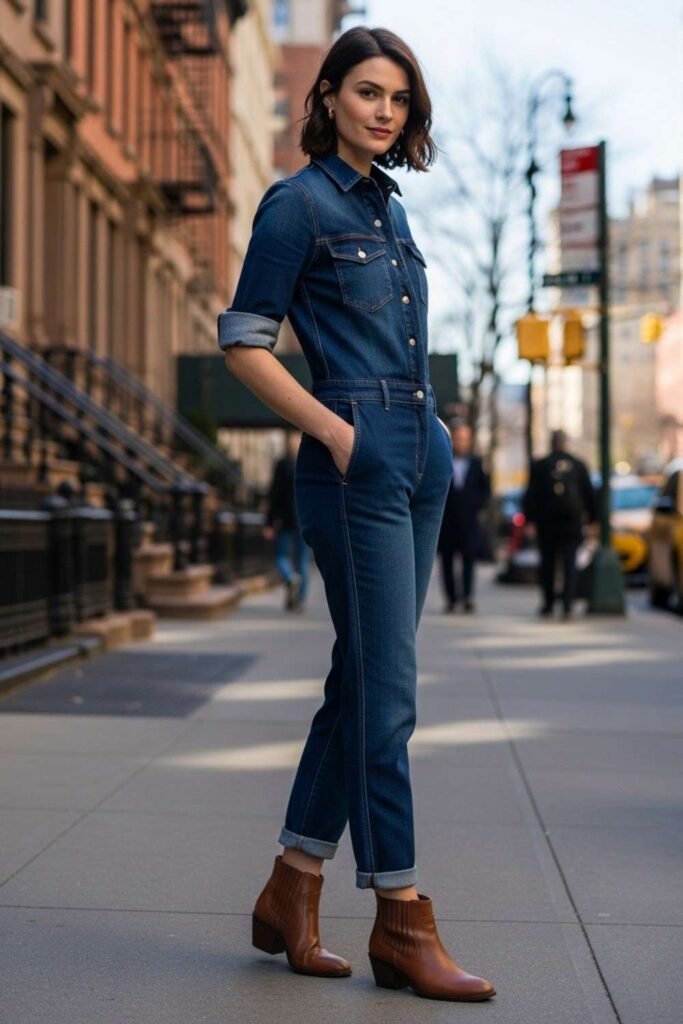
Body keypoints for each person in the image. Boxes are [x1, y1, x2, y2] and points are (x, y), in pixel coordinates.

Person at [218, 27, 495, 1002]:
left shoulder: (389, 209)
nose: (384, 111)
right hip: (356, 465)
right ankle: (400, 918)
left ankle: (290, 887)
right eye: (368, 92)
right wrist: (338, 434)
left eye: (399, 98)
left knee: (362, 681)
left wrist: (435, 435)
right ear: (328, 95)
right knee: (389, 697)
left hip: (419, 457)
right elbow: (244, 341)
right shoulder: (296, 204)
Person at [523, 429, 596, 620]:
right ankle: (567, 603)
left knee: (548, 564)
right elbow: (589, 494)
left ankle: (549, 603)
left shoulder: (541, 465)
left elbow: (531, 495)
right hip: (570, 523)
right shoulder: (578, 465)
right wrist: (592, 520)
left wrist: (530, 520)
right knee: (569, 564)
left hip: (548, 523)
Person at [438, 421, 490, 613]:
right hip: (447, 521)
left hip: (469, 522)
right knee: (447, 561)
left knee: (469, 560)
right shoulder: (443, 460)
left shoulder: (477, 463)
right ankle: (451, 599)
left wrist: (477, 506)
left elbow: (485, 490)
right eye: (458, 438)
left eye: (464, 439)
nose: (461, 442)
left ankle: (468, 596)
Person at [263, 430, 310, 611]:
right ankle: (300, 600)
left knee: (281, 556)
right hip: (305, 520)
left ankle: (290, 578)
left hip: (286, 520)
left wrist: (269, 522)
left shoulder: (282, 465)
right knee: (302, 561)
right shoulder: (308, 464)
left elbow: (274, 494)